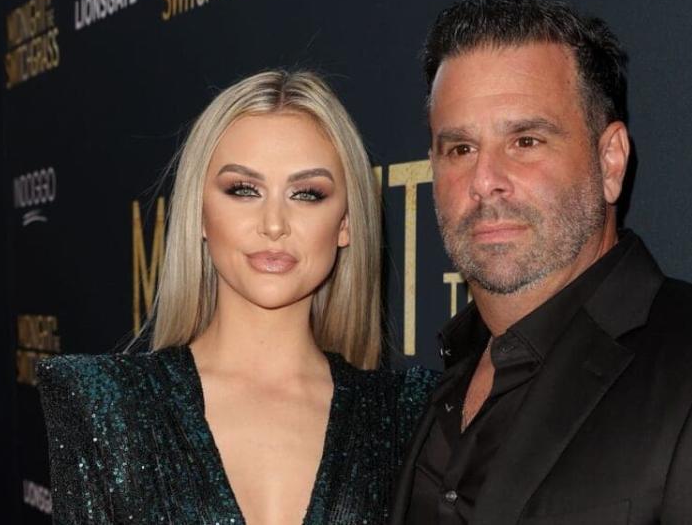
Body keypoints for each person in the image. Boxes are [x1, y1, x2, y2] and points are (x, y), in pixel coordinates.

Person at [390, 0, 692, 525]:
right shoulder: (433, 393)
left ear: (610, 160)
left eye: (525, 140)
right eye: (459, 149)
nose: (484, 181)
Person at [37, 70, 437, 524]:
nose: (273, 223)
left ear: (345, 223)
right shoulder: (109, 408)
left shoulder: (408, 414)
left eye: (307, 194)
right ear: (201, 214)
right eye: (243, 190)